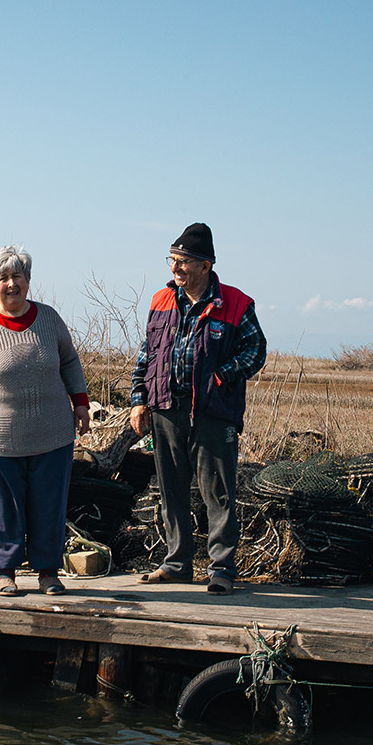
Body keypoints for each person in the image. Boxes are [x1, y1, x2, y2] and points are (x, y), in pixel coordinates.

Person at [0, 246, 91, 596]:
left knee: (48, 504)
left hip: (51, 434)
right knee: (3, 507)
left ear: (28, 280)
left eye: (17, 276)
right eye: (3, 278)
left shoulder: (50, 319)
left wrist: (80, 403)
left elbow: (69, 361)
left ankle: (48, 572)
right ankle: (4, 571)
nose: (11, 284)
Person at [130, 223, 266, 594]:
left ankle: (221, 568)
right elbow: (147, 353)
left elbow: (256, 352)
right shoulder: (161, 300)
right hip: (165, 408)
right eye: (172, 260)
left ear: (205, 265)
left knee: (218, 492)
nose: (175, 268)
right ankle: (177, 564)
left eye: (183, 262)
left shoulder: (237, 303)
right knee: (170, 489)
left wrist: (220, 377)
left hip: (212, 412)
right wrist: (139, 399)